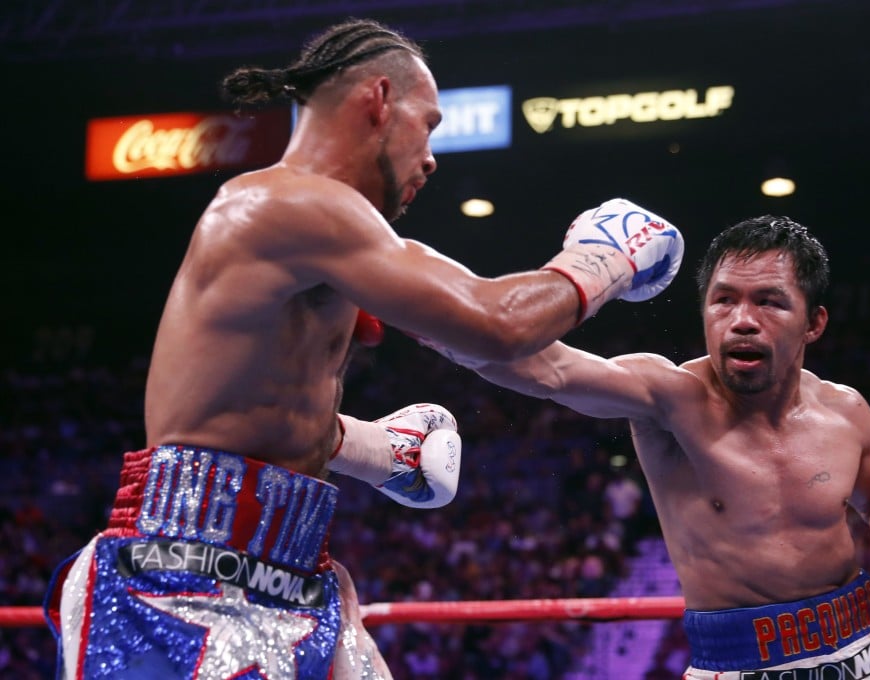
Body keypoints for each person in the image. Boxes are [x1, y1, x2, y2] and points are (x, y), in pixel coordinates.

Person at [42, 17, 684, 680]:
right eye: (428, 123)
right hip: (177, 579)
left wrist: (662, 395)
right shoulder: (281, 205)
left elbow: (527, 358)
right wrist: (606, 258)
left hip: (295, 580)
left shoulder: (351, 245)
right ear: (379, 99)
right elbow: (498, 323)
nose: (432, 157)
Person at [456, 216, 870, 678]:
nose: (742, 319)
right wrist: (418, 313)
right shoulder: (669, 399)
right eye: (724, 300)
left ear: (814, 323)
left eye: (768, 301)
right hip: (739, 666)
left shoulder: (847, 411)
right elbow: (545, 369)